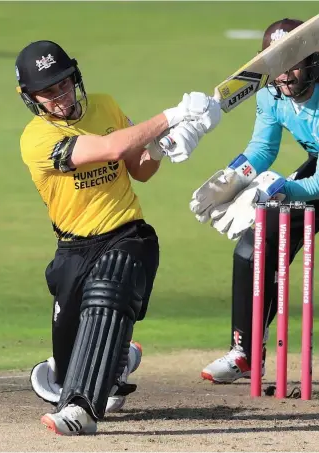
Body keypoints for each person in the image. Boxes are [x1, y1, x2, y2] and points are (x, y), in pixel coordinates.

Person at [16, 40, 221, 435]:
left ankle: (81, 410)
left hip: (127, 235)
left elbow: (138, 169)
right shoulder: (36, 139)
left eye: (64, 84)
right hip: (73, 250)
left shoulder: (105, 106)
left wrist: (167, 145)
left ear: (75, 78)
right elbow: (110, 149)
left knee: (107, 292)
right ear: (31, 98)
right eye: (48, 91)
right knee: (66, 365)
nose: (60, 97)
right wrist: (174, 114)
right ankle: (115, 359)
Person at [190, 18, 319, 394]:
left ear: (314, 59)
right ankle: (244, 350)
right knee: (254, 244)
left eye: (292, 61)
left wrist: (273, 191)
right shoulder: (270, 96)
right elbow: (262, 150)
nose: (284, 73)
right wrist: (233, 177)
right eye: (275, 63)